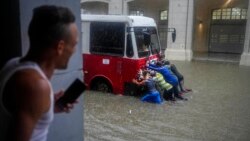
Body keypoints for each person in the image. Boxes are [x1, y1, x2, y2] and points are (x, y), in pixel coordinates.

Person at [0, 5, 78, 141]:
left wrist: (48, 107)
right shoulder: (35, 86)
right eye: (74, 44)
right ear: (60, 47)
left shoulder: (13, 64)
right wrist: (39, 97)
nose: (75, 51)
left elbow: (22, 111)